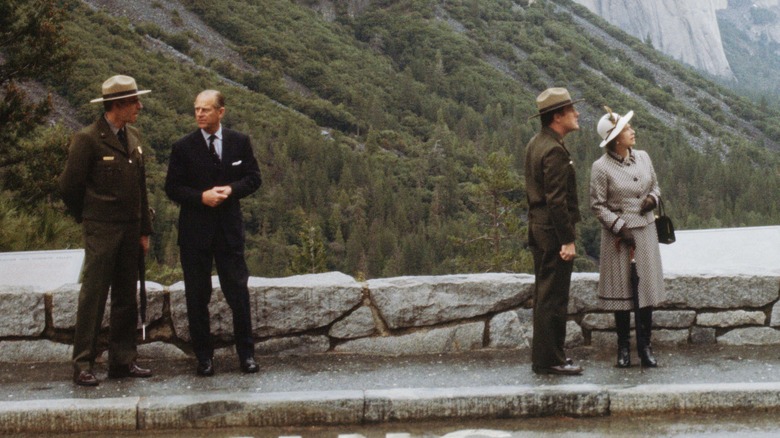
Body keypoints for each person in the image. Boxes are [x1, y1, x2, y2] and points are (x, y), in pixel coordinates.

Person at [59, 75, 154, 386]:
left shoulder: (134, 137)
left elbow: (141, 188)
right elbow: (70, 187)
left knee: (126, 296)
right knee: (94, 296)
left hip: (130, 230)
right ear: (117, 105)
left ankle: (123, 361)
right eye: (134, 102)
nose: (139, 106)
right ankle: (83, 363)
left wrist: (144, 231)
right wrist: (89, 220)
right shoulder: (87, 139)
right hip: (101, 230)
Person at [165, 90, 261, 376]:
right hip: (195, 233)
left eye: (205, 110)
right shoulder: (183, 147)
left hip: (229, 232)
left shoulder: (239, 142)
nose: (199, 114)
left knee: (238, 294)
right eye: (196, 109)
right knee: (197, 296)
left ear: (221, 112)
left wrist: (231, 190)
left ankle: (247, 355)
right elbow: (172, 188)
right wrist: (201, 197)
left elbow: (254, 178)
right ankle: (204, 358)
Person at [589, 107, 665, 368]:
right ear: (615, 138)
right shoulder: (600, 168)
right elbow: (597, 205)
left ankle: (645, 346)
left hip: (645, 231)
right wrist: (620, 226)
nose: (632, 131)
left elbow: (655, 186)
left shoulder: (643, 157)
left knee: (644, 290)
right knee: (622, 292)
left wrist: (651, 200)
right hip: (619, 238)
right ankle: (623, 347)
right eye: (626, 129)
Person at [525, 87, 584, 376]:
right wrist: (568, 240)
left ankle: (548, 357)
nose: (577, 114)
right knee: (553, 299)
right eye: (572, 110)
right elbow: (556, 201)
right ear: (557, 116)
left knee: (545, 296)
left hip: (540, 231)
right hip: (553, 235)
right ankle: (550, 361)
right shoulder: (553, 150)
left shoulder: (537, 143)